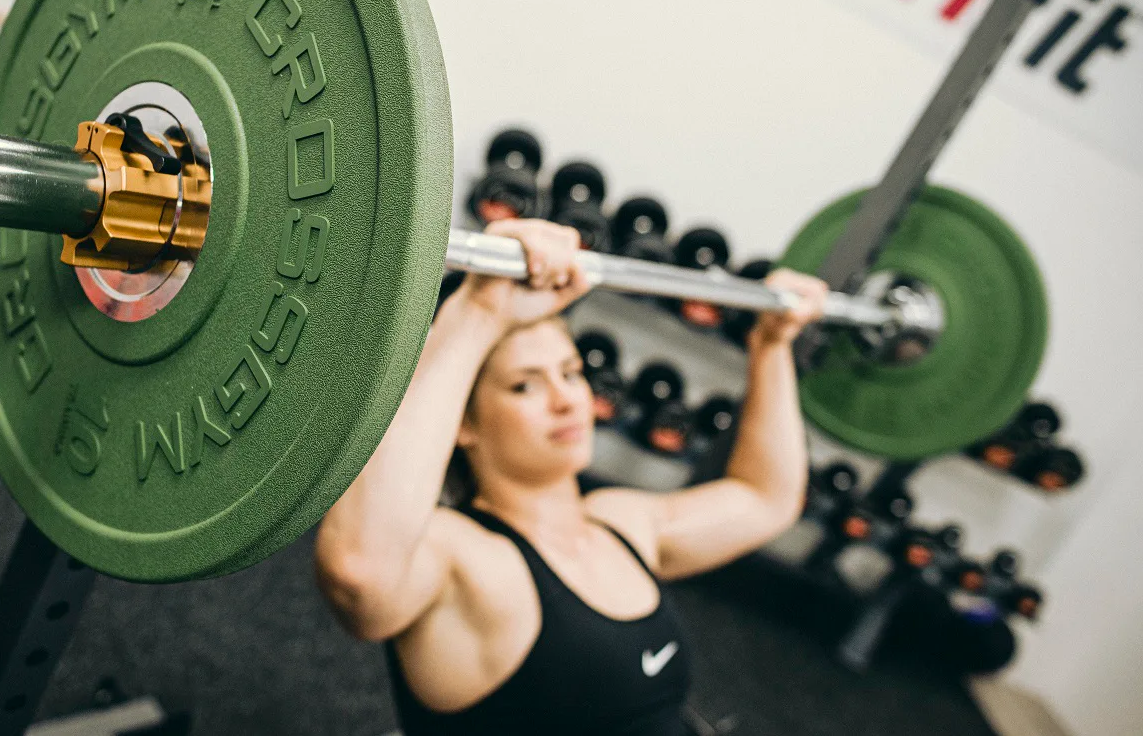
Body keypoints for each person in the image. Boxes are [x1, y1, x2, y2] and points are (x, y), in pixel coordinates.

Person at [315, 218, 829, 735]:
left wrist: (772, 345)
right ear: (462, 421)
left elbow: (767, 498)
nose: (567, 400)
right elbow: (360, 574)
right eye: (525, 386)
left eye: (571, 372)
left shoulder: (619, 523)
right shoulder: (468, 558)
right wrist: (478, 311)